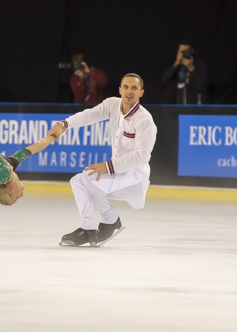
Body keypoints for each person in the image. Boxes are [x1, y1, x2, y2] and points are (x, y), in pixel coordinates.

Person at [48, 73, 157, 247]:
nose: (130, 91)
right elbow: (88, 115)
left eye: (134, 88)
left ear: (141, 93)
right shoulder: (112, 104)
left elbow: (141, 155)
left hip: (136, 178)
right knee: (77, 180)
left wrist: (108, 166)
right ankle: (89, 228)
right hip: (118, 176)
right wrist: (64, 124)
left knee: (89, 176)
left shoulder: (145, 120)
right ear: (120, 90)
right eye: (126, 87)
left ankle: (110, 219)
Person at [162, 39, 207, 104]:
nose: (183, 53)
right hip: (180, 104)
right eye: (181, 51)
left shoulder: (199, 65)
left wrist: (191, 68)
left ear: (191, 50)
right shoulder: (178, 66)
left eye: (185, 51)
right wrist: (176, 64)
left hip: (195, 105)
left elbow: (200, 85)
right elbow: (165, 80)